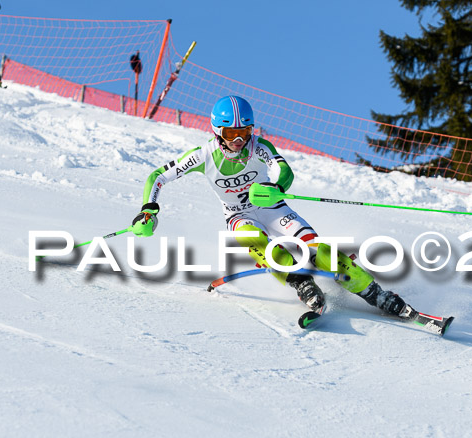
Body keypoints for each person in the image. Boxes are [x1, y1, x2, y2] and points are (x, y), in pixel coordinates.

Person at [132, 95, 419, 328]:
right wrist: (149, 210)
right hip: (238, 215)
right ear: (217, 131)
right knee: (255, 241)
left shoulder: (259, 147)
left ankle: (376, 294)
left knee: (318, 250)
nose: (238, 140)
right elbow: (157, 176)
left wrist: (278, 187)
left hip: (272, 207)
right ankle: (302, 284)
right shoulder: (203, 156)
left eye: (244, 132)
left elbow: (284, 170)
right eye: (231, 133)